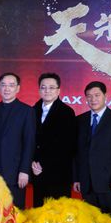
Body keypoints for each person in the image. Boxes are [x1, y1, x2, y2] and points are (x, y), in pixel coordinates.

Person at [73, 81, 111, 218]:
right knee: (90, 221)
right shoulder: (79, 120)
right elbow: (76, 152)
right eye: (89, 96)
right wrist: (76, 178)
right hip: (87, 182)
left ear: (105, 96)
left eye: (97, 95)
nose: (93, 99)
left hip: (109, 182)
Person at [0, 72, 35, 209]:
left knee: (16, 213)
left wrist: (24, 170)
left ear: (18, 88)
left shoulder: (27, 111)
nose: (7, 88)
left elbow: (29, 143)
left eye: (11, 85)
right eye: (3, 85)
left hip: (16, 174)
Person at [31, 73, 77, 207]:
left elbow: (67, 146)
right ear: (39, 90)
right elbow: (29, 140)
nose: (47, 91)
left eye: (51, 87)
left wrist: (43, 165)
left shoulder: (67, 112)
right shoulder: (32, 110)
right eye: (43, 87)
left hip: (58, 174)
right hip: (37, 172)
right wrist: (32, 163)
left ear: (58, 90)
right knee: (39, 211)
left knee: (58, 212)